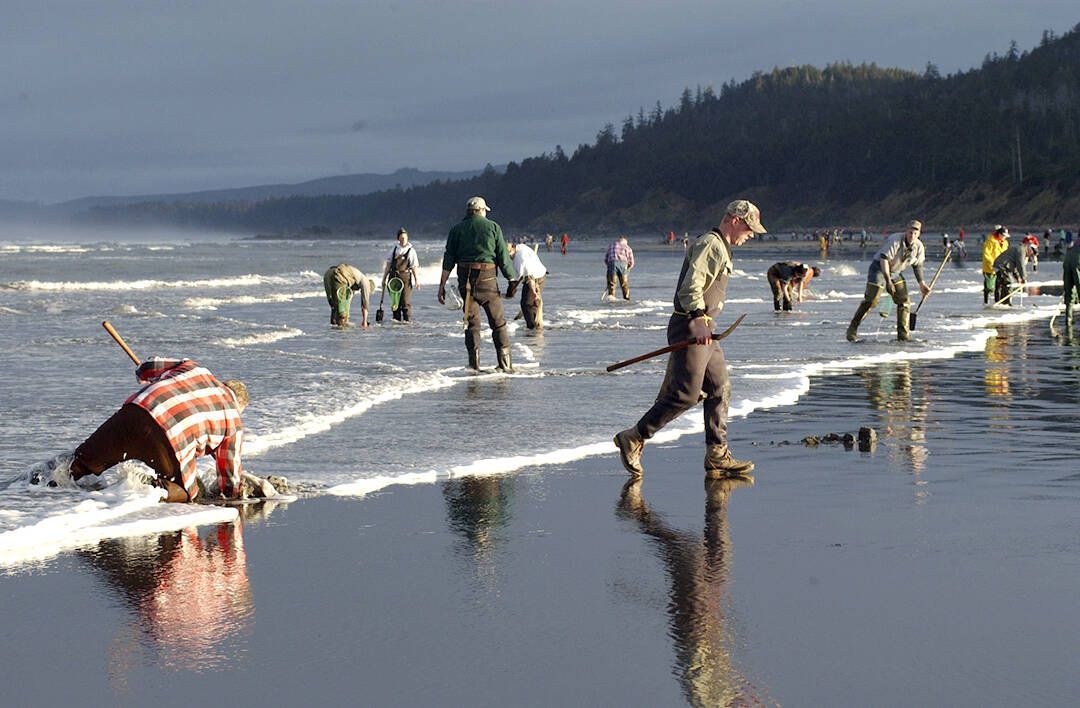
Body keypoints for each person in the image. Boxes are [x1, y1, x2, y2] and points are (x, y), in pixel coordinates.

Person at [613, 199, 766, 480]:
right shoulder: (711, 244)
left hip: (706, 328)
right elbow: (691, 285)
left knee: (721, 387)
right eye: (749, 227)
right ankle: (634, 437)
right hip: (691, 325)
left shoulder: (721, 246)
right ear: (734, 219)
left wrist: (704, 322)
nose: (751, 234)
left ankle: (717, 455)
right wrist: (697, 319)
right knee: (685, 395)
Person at [66, 357, 248, 503]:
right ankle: (148, 488)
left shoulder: (195, 369)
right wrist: (230, 496)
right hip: (169, 441)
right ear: (239, 405)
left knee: (79, 463)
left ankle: (42, 485)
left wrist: (144, 375)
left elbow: (150, 365)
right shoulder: (233, 421)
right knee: (187, 492)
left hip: (137, 411)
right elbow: (229, 479)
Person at [438, 196, 516, 372]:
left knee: (471, 323)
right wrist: (511, 279)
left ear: (468, 212)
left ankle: (474, 366)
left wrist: (442, 285)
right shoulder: (493, 227)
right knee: (498, 323)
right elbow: (503, 258)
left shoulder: (456, 230)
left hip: (465, 281)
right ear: (481, 211)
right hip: (488, 281)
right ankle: (506, 366)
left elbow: (448, 259)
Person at [846, 220, 931, 342]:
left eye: (915, 233)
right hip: (879, 268)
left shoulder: (919, 247)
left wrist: (922, 284)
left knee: (904, 301)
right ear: (906, 231)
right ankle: (852, 328)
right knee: (872, 299)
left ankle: (903, 336)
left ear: (919, 234)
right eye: (910, 232)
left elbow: (917, 266)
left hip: (895, 272)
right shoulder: (896, 240)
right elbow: (884, 259)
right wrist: (888, 281)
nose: (912, 236)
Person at [382, 228, 420, 322]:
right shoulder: (393, 250)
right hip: (393, 278)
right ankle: (396, 324)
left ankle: (407, 323)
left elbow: (414, 267)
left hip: (405, 278)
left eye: (405, 238)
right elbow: (388, 266)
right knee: (395, 303)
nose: (403, 240)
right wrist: (384, 279)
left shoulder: (411, 251)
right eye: (401, 238)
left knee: (405, 302)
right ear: (398, 239)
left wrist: (416, 280)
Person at [506, 243, 547, 329]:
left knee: (527, 304)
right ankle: (535, 326)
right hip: (541, 275)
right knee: (528, 303)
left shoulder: (519, 259)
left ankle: (532, 328)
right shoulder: (520, 247)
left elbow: (529, 278)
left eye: (509, 255)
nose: (510, 257)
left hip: (535, 278)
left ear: (512, 250)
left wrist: (533, 292)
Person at [323, 263, 373, 327]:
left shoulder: (354, 280)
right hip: (339, 275)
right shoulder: (365, 282)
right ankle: (341, 331)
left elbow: (347, 301)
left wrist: (347, 318)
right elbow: (365, 304)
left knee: (334, 306)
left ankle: (334, 329)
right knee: (342, 312)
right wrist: (364, 322)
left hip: (329, 274)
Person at [992, 240, 1037, 306]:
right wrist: (1023, 278)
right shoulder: (1021, 250)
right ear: (1030, 250)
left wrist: (1018, 277)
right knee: (1008, 283)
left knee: (1001, 283)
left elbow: (1014, 266)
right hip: (1002, 266)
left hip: (1002, 265)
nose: (1030, 256)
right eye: (1031, 255)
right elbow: (1020, 264)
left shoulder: (1021, 250)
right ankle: (1005, 303)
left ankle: (999, 302)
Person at [981, 226, 1009, 304]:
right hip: (990, 268)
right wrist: (992, 263)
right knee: (989, 287)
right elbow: (986, 254)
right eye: (1003, 235)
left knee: (999, 285)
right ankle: (986, 302)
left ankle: (998, 302)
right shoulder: (990, 241)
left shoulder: (1005, 243)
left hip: (1001, 267)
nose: (1004, 237)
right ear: (999, 234)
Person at [604, 236, 635, 300]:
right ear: (625, 242)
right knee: (624, 284)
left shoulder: (611, 245)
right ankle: (627, 299)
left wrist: (610, 266)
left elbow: (606, 259)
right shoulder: (627, 247)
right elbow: (631, 262)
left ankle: (611, 300)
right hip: (623, 265)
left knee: (612, 284)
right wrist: (628, 268)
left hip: (612, 264)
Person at [1063, 238, 1080, 326]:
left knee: (1069, 295)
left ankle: (1068, 319)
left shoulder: (1072, 247)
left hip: (1067, 266)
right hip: (1077, 265)